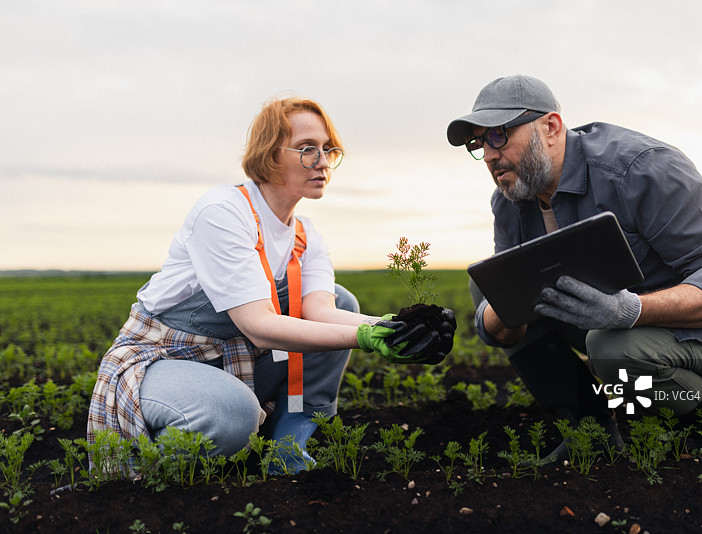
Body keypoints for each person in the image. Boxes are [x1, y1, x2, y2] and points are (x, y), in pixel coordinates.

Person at [88, 96, 455, 474]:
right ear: (269, 153)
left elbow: (322, 313)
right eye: (307, 149)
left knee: (341, 301)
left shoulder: (305, 235)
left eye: (329, 149)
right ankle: (146, 468)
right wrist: (363, 337)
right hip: (163, 362)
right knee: (234, 417)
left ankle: (287, 447)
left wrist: (391, 327)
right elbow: (259, 327)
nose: (323, 161)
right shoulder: (224, 213)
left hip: (234, 361)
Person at [447, 75, 702, 461]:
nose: (488, 154)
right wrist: (502, 314)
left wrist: (629, 311)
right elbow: (504, 323)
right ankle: (592, 433)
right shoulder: (510, 201)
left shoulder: (641, 169)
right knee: (493, 284)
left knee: (613, 348)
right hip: (613, 326)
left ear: (550, 127)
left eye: (499, 135)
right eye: (478, 143)